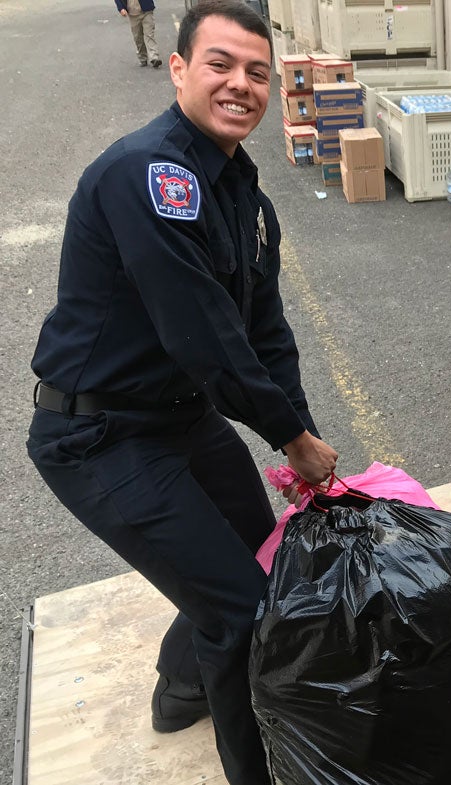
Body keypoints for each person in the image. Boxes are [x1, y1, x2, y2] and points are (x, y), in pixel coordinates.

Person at [26, 3, 337, 783]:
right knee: (241, 612)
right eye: (220, 64)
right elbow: (203, 334)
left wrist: (297, 427)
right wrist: (292, 441)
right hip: (99, 438)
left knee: (249, 555)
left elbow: (264, 330)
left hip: (182, 418)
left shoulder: (242, 193)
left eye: (257, 72)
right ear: (178, 69)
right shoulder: (150, 175)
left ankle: (178, 689)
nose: (241, 84)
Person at [115, 0, 161, 68]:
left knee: (149, 35)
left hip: (147, 11)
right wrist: (121, 8)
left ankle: (154, 57)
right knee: (138, 38)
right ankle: (143, 58)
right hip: (133, 13)